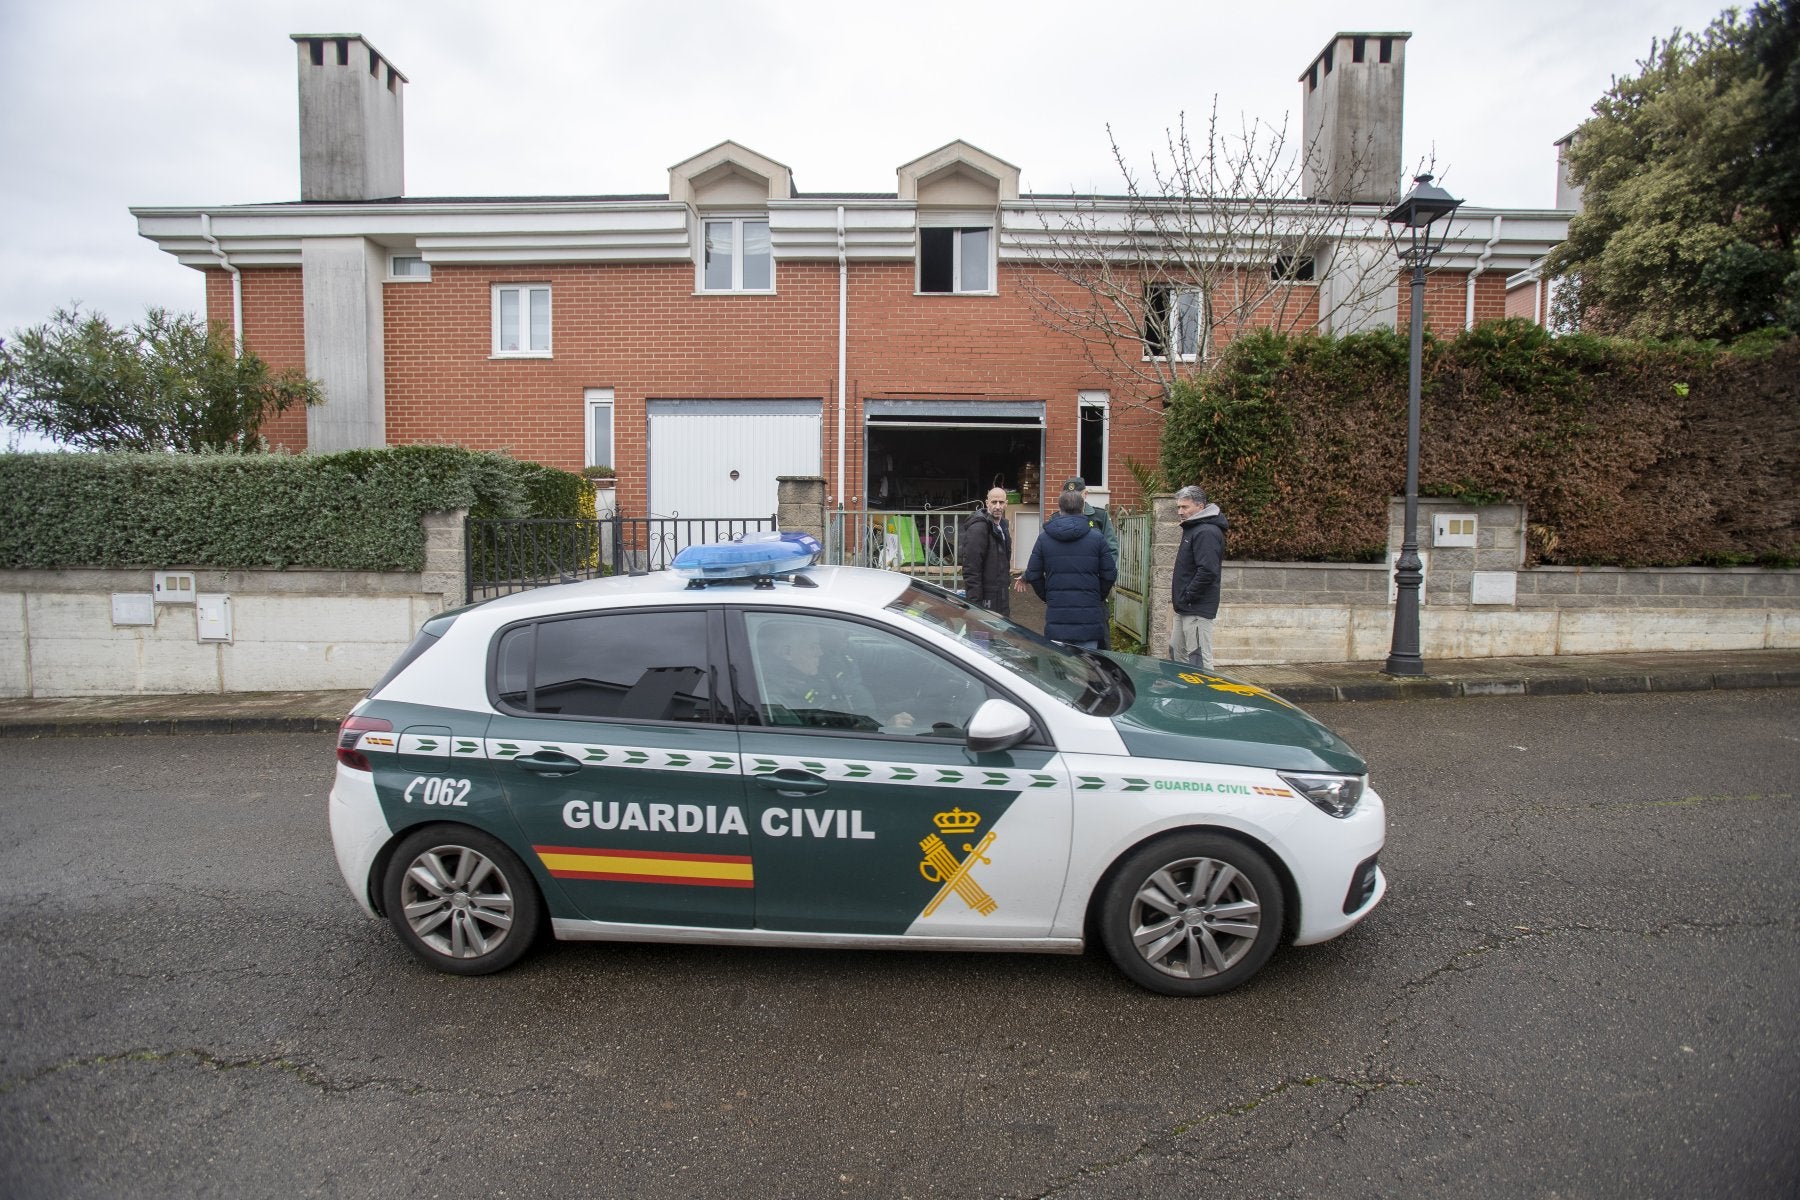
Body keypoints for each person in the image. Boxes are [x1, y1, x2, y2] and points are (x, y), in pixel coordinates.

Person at [759, 622, 913, 731]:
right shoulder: (779, 700)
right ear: (787, 653)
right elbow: (829, 744)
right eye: (812, 646)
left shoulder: (810, 677)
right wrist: (886, 731)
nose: (820, 652)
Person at [1021, 489, 1117, 650]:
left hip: (1057, 621)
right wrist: (1097, 595)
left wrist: (1047, 596)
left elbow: (1033, 573)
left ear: (1060, 510)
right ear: (1082, 509)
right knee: (1088, 670)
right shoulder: (1097, 538)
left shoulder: (1044, 539)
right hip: (1089, 622)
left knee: (1060, 672)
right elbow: (1110, 574)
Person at [1170, 484, 1228, 671]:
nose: (1180, 511)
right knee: (1177, 655)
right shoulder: (1194, 529)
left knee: (1198, 662)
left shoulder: (1206, 532)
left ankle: (1202, 699)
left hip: (1196, 608)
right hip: (1185, 607)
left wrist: (1188, 595)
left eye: (1185, 507)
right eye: (1178, 507)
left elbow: (1207, 571)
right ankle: (1180, 699)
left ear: (1200, 507)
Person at [959, 487, 1013, 616]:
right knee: (982, 634)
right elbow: (971, 569)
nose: (998, 506)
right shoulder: (979, 528)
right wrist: (975, 605)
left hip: (1001, 597)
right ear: (987, 503)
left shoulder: (1003, 527)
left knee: (1001, 633)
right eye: (994, 502)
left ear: (1006, 504)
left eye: (1001, 502)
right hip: (986, 600)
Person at [1062, 477, 1118, 559]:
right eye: (1068, 496)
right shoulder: (1056, 518)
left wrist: (1103, 570)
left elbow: (1111, 549)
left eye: (1077, 496)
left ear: (1085, 494)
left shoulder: (1100, 516)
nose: (1072, 500)